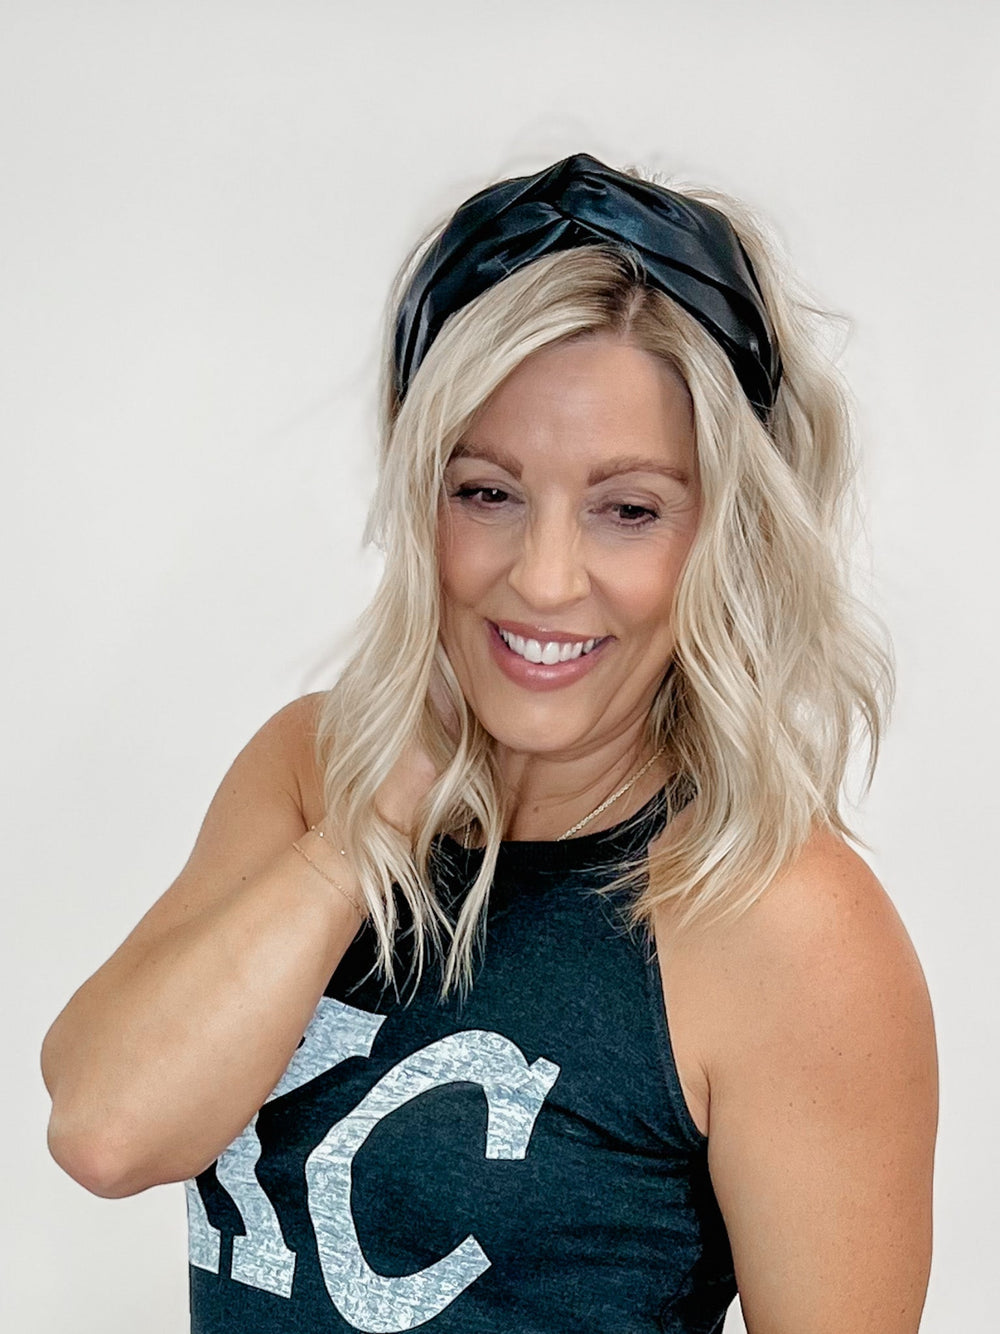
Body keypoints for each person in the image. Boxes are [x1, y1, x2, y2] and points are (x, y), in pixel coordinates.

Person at [41, 152, 938, 1334]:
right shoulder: (310, 768)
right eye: (487, 492)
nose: (546, 576)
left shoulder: (786, 920)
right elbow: (107, 1127)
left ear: (724, 532)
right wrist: (370, 821)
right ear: (422, 495)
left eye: (628, 509)